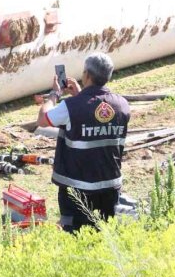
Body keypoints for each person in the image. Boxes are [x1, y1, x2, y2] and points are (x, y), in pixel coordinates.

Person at [36, 53, 130, 232]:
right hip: (110, 186)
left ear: (86, 74)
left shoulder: (71, 107)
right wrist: (82, 95)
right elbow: (97, 117)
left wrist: (55, 94)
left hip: (77, 190)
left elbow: (42, 119)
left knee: (76, 236)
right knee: (104, 233)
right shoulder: (122, 105)